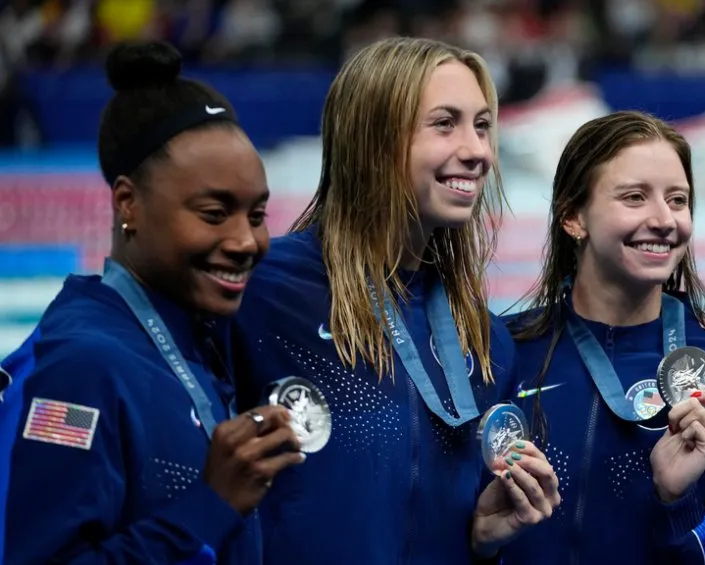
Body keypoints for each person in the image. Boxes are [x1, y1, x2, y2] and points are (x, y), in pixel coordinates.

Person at [228, 36, 560, 564]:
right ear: (373, 139)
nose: (477, 151)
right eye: (445, 123)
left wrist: (483, 541)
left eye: (481, 125)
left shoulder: (483, 338)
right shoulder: (263, 289)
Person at [0, 41, 303, 564]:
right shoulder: (80, 368)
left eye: (257, 215)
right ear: (128, 203)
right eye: (214, 213)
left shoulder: (197, 337)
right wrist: (210, 506)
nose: (245, 242)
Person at [502, 110, 705, 564]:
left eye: (678, 200)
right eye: (635, 197)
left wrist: (679, 504)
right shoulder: (500, 355)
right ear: (572, 217)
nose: (664, 220)